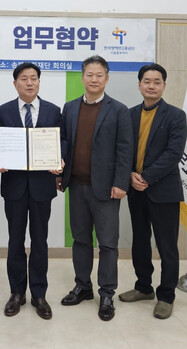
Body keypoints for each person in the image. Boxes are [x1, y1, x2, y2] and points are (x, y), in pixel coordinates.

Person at [58, 55, 132, 321]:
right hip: (77, 185)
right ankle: (83, 286)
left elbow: (125, 150)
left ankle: (107, 293)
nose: (94, 79)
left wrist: (121, 183)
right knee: (80, 240)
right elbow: (63, 142)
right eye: (89, 75)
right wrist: (60, 171)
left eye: (99, 75)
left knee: (108, 244)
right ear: (82, 78)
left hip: (107, 190)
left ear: (107, 79)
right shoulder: (70, 108)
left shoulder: (119, 110)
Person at [118, 63, 187, 319]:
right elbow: (123, 150)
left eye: (157, 82)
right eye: (147, 81)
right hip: (135, 189)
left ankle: (166, 296)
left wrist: (145, 177)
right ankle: (143, 287)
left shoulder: (176, 116)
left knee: (167, 246)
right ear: (139, 85)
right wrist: (130, 175)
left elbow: (173, 154)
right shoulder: (129, 115)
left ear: (164, 86)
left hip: (164, 190)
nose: (151, 86)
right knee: (140, 241)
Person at [0, 62, 64, 320]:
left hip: (41, 187)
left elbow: (61, 140)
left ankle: (39, 294)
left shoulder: (53, 110)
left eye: (33, 78)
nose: (29, 83)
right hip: (13, 186)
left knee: (39, 241)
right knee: (15, 241)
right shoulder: (3, 110)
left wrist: (60, 159)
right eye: (24, 78)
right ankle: (16, 293)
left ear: (39, 82)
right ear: (15, 83)